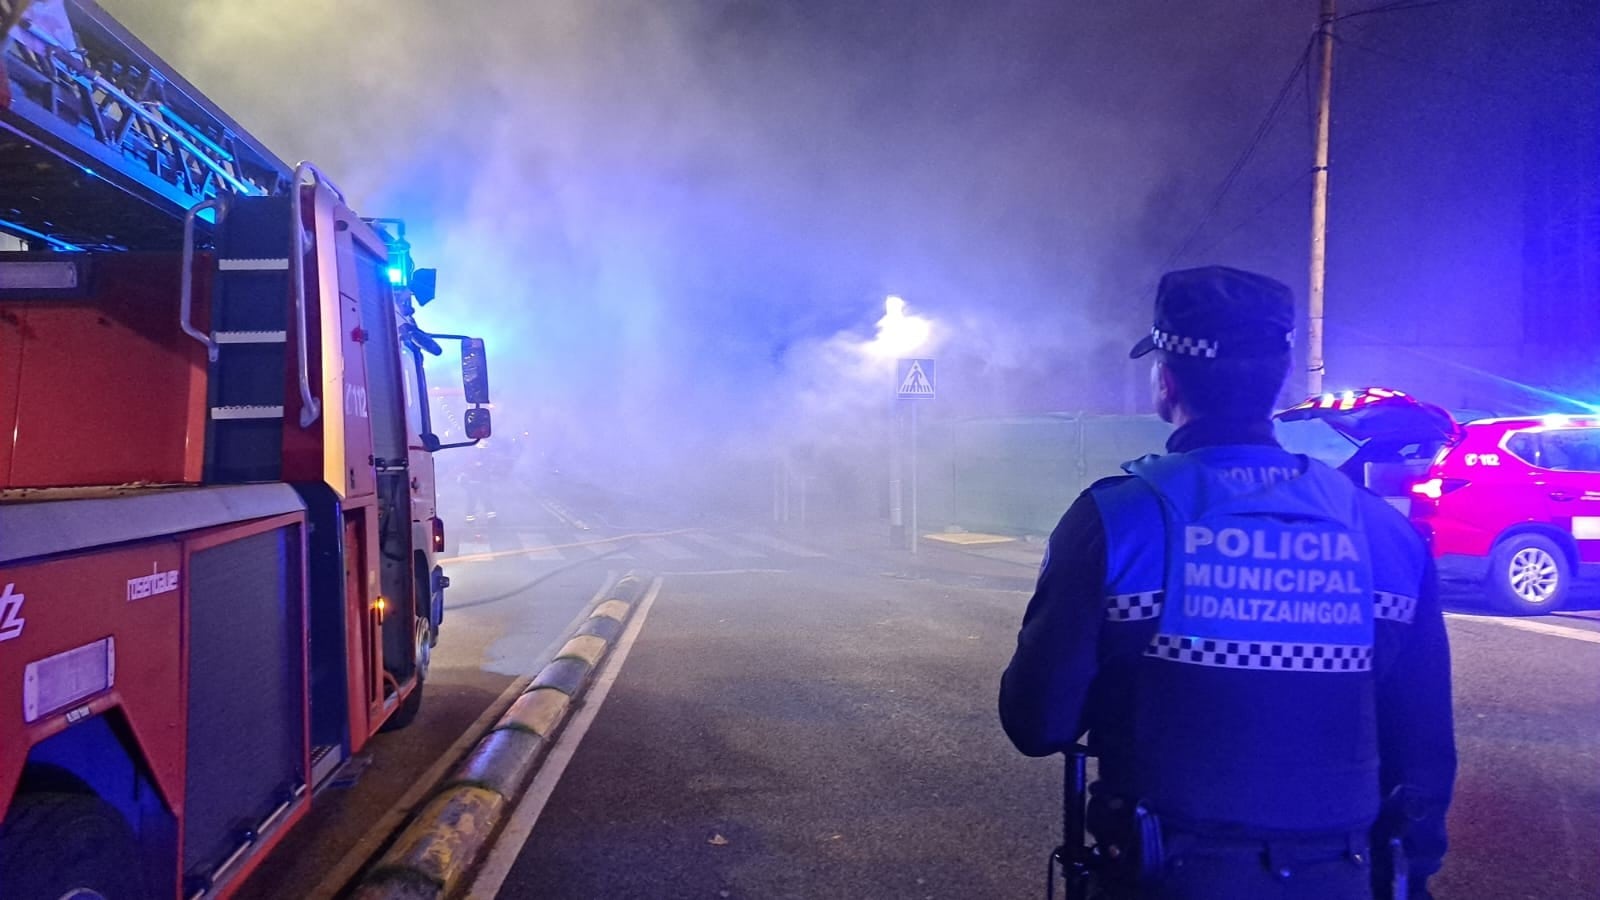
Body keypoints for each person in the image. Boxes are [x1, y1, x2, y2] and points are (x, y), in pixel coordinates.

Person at [999, 266, 1456, 899]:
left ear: (1166, 383)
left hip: (1160, 876)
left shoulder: (1120, 519)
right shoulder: (1383, 533)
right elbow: (1424, 750)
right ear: (1277, 381)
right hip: (1342, 879)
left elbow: (1037, 723)